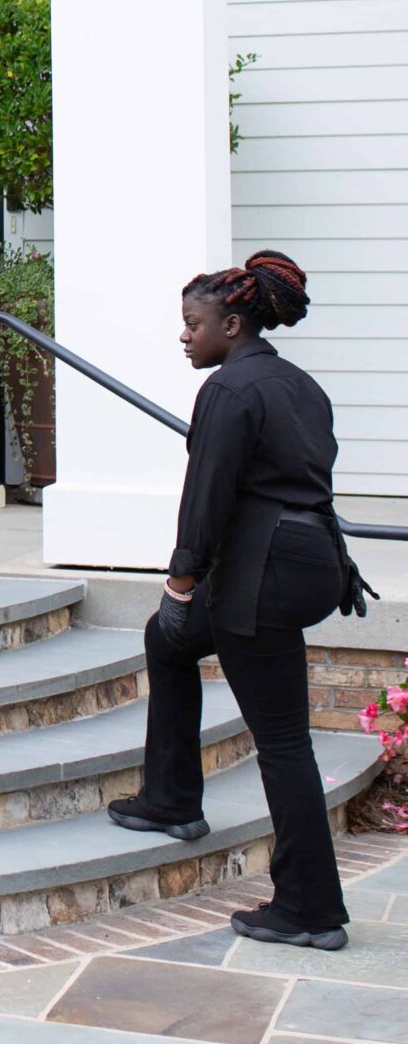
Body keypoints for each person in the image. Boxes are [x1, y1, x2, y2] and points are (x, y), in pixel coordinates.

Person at [107, 251, 367, 951]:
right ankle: (168, 800)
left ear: (231, 321)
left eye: (192, 324)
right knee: (168, 643)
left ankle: (308, 908)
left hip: (263, 572)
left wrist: (179, 582)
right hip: (311, 562)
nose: (184, 336)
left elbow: (207, 495)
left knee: (283, 744)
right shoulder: (297, 384)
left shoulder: (229, 390)